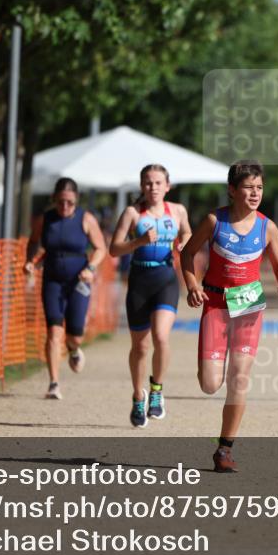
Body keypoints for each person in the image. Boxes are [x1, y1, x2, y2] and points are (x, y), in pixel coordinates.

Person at [180, 160, 278, 473]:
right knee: (209, 383)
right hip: (215, 304)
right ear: (232, 190)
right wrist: (192, 284)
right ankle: (210, 373)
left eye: (259, 187)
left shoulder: (267, 226)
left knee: (239, 379)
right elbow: (187, 253)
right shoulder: (214, 220)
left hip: (247, 305)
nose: (255, 193)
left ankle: (224, 450)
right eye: (248, 187)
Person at [108, 164, 192, 427]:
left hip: (166, 279)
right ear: (141, 186)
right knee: (140, 347)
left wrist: (185, 241)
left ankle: (156, 391)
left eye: (158, 183)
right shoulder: (133, 213)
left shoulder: (177, 210)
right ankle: (137, 395)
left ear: (167, 186)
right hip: (139, 282)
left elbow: (188, 231)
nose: (153, 187)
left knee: (161, 336)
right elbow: (114, 249)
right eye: (147, 183)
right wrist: (139, 242)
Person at [25, 177, 107, 400]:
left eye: (70, 202)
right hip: (52, 280)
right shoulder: (46, 219)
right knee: (53, 330)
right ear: (54, 200)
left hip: (78, 282)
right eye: (61, 202)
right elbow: (33, 242)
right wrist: (30, 261)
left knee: (75, 335)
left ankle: (73, 348)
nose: (65, 207)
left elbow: (101, 249)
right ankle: (53, 383)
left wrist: (90, 267)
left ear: (76, 201)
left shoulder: (86, 219)